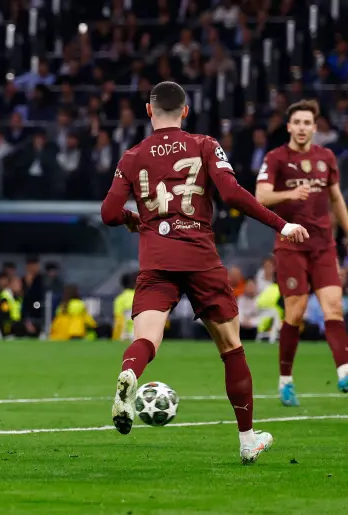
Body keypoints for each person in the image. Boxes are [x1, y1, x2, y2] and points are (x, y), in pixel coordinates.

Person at [100, 81, 308, 464]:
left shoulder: (131, 156)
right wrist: (281, 225)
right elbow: (232, 194)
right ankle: (247, 440)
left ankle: (130, 374)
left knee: (147, 339)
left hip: (156, 259)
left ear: (148, 111)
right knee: (231, 348)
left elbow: (108, 213)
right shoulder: (205, 144)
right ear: (185, 111)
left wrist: (133, 218)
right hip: (199, 256)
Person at [254, 99, 348, 405]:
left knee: (333, 307)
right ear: (289, 126)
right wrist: (290, 193)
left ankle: (344, 372)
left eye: (308, 123)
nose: (303, 128)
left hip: (323, 245)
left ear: (314, 127)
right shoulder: (276, 158)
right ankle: (286, 381)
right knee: (296, 312)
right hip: (290, 245)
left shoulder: (326, 157)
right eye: (298, 123)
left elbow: (336, 198)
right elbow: (260, 196)